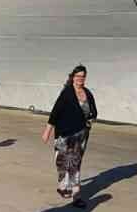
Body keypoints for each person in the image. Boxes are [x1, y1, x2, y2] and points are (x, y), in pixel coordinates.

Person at [41, 65, 97, 202]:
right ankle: (63, 186)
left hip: (81, 135)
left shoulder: (87, 93)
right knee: (62, 161)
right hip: (64, 134)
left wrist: (91, 119)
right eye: (78, 76)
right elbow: (56, 112)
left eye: (83, 76)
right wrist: (47, 131)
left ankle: (76, 194)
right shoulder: (67, 93)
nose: (80, 79)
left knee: (75, 163)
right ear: (73, 77)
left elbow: (94, 111)